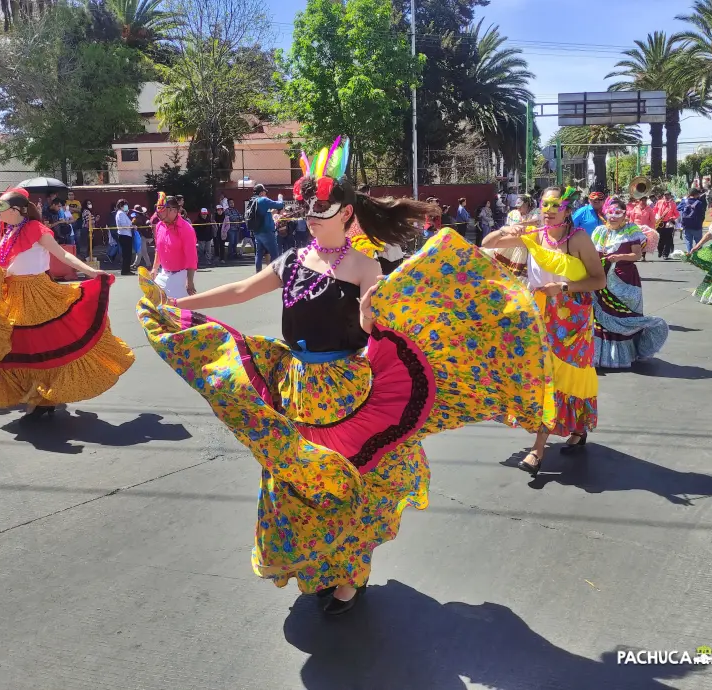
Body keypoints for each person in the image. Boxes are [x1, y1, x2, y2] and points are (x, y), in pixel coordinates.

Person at [137, 138, 554, 614]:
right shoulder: (292, 261)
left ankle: (349, 576)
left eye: (323, 210)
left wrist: (370, 311)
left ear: (348, 214)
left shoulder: (363, 265)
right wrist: (179, 304)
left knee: (348, 484)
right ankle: (313, 563)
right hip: (293, 385)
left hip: (343, 391)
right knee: (294, 479)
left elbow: (368, 328)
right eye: (309, 210)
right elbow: (239, 289)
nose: (312, 217)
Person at [0, 189, 134, 419]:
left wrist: (90, 271)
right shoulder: (9, 234)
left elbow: (62, 255)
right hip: (15, 296)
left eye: (1, 208)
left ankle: (46, 398)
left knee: (45, 345)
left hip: (37, 293)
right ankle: (36, 395)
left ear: (17, 210)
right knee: (22, 347)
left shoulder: (36, 230)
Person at [481, 186, 606, 474]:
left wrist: (563, 287)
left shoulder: (578, 239)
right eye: (544, 204)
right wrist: (511, 228)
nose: (548, 210)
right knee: (542, 377)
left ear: (567, 208)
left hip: (572, 319)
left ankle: (542, 446)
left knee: (567, 376)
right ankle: (542, 446)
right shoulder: (534, 235)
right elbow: (489, 242)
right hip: (539, 313)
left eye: (555, 204)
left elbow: (598, 279)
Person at [588, 198, 668, 368]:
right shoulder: (600, 231)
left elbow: (637, 255)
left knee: (622, 315)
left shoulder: (631, 230)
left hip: (624, 278)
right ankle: (600, 356)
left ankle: (623, 355)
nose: (613, 216)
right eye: (610, 212)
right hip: (603, 278)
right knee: (599, 316)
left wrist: (620, 257)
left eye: (618, 213)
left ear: (624, 214)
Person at [149, 193, 197, 299]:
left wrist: (189, 281)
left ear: (174, 210)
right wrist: (154, 269)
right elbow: (159, 249)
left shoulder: (186, 229)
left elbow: (191, 257)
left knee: (177, 310)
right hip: (164, 273)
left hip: (180, 275)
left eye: (163, 210)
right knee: (153, 301)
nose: (159, 214)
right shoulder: (159, 226)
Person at [248, 183, 285, 272]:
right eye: (265, 192)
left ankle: (258, 273)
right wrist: (280, 198)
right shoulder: (263, 200)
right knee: (275, 254)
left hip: (257, 232)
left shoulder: (252, 201)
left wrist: (270, 213)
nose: (266, 194)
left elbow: (262, 215)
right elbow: (280, 205)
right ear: (261, 193)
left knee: (259, 254)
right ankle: (274, 275)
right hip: (267, 231)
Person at [628, 196, 657, 262]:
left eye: (645, 200)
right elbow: (631, 219)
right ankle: (636, 255)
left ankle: (643, 256)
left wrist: (653, 229)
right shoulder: (635, 208)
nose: (644, 202)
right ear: (639, 201)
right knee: (636, 242)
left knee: (644, 242)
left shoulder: (649, 209)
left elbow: (652, 220)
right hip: (636, 228)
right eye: (642, 200)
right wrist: (630, 228)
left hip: (645, 228)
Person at [678, 188, 706, 253]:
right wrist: (701, 222)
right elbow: (702, 214)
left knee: (688, 241)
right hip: (697, 225)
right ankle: (699, 257)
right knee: (699, 242)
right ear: (696, 194)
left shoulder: (684, 201)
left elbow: (678, 208)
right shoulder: (699, 203)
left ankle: (690, 255)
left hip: (686, 225)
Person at [654, 192, 679, 258]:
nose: (666, 196)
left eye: (668, 195)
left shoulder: (673, 204)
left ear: (670, 196)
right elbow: (654, 211)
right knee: (661, 238)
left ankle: (665, 254)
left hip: (669, 223)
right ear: (663, 196)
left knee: (668, 239)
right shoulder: (659, 202)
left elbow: (677, 214)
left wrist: (672, 218)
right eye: (665, 195)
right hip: (660, 223)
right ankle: (660, 250)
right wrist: (656, 218)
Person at [114, 198, 135, 275]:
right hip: (124, 235)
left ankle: (127, 269)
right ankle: (125, 270)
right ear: (121, 206)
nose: (127, 206)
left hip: (126, 235)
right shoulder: (120, 213)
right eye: (125, 205)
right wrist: (132, 226)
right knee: (126, 254)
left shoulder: (123, 213)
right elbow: (124, 225)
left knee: (128, 253)